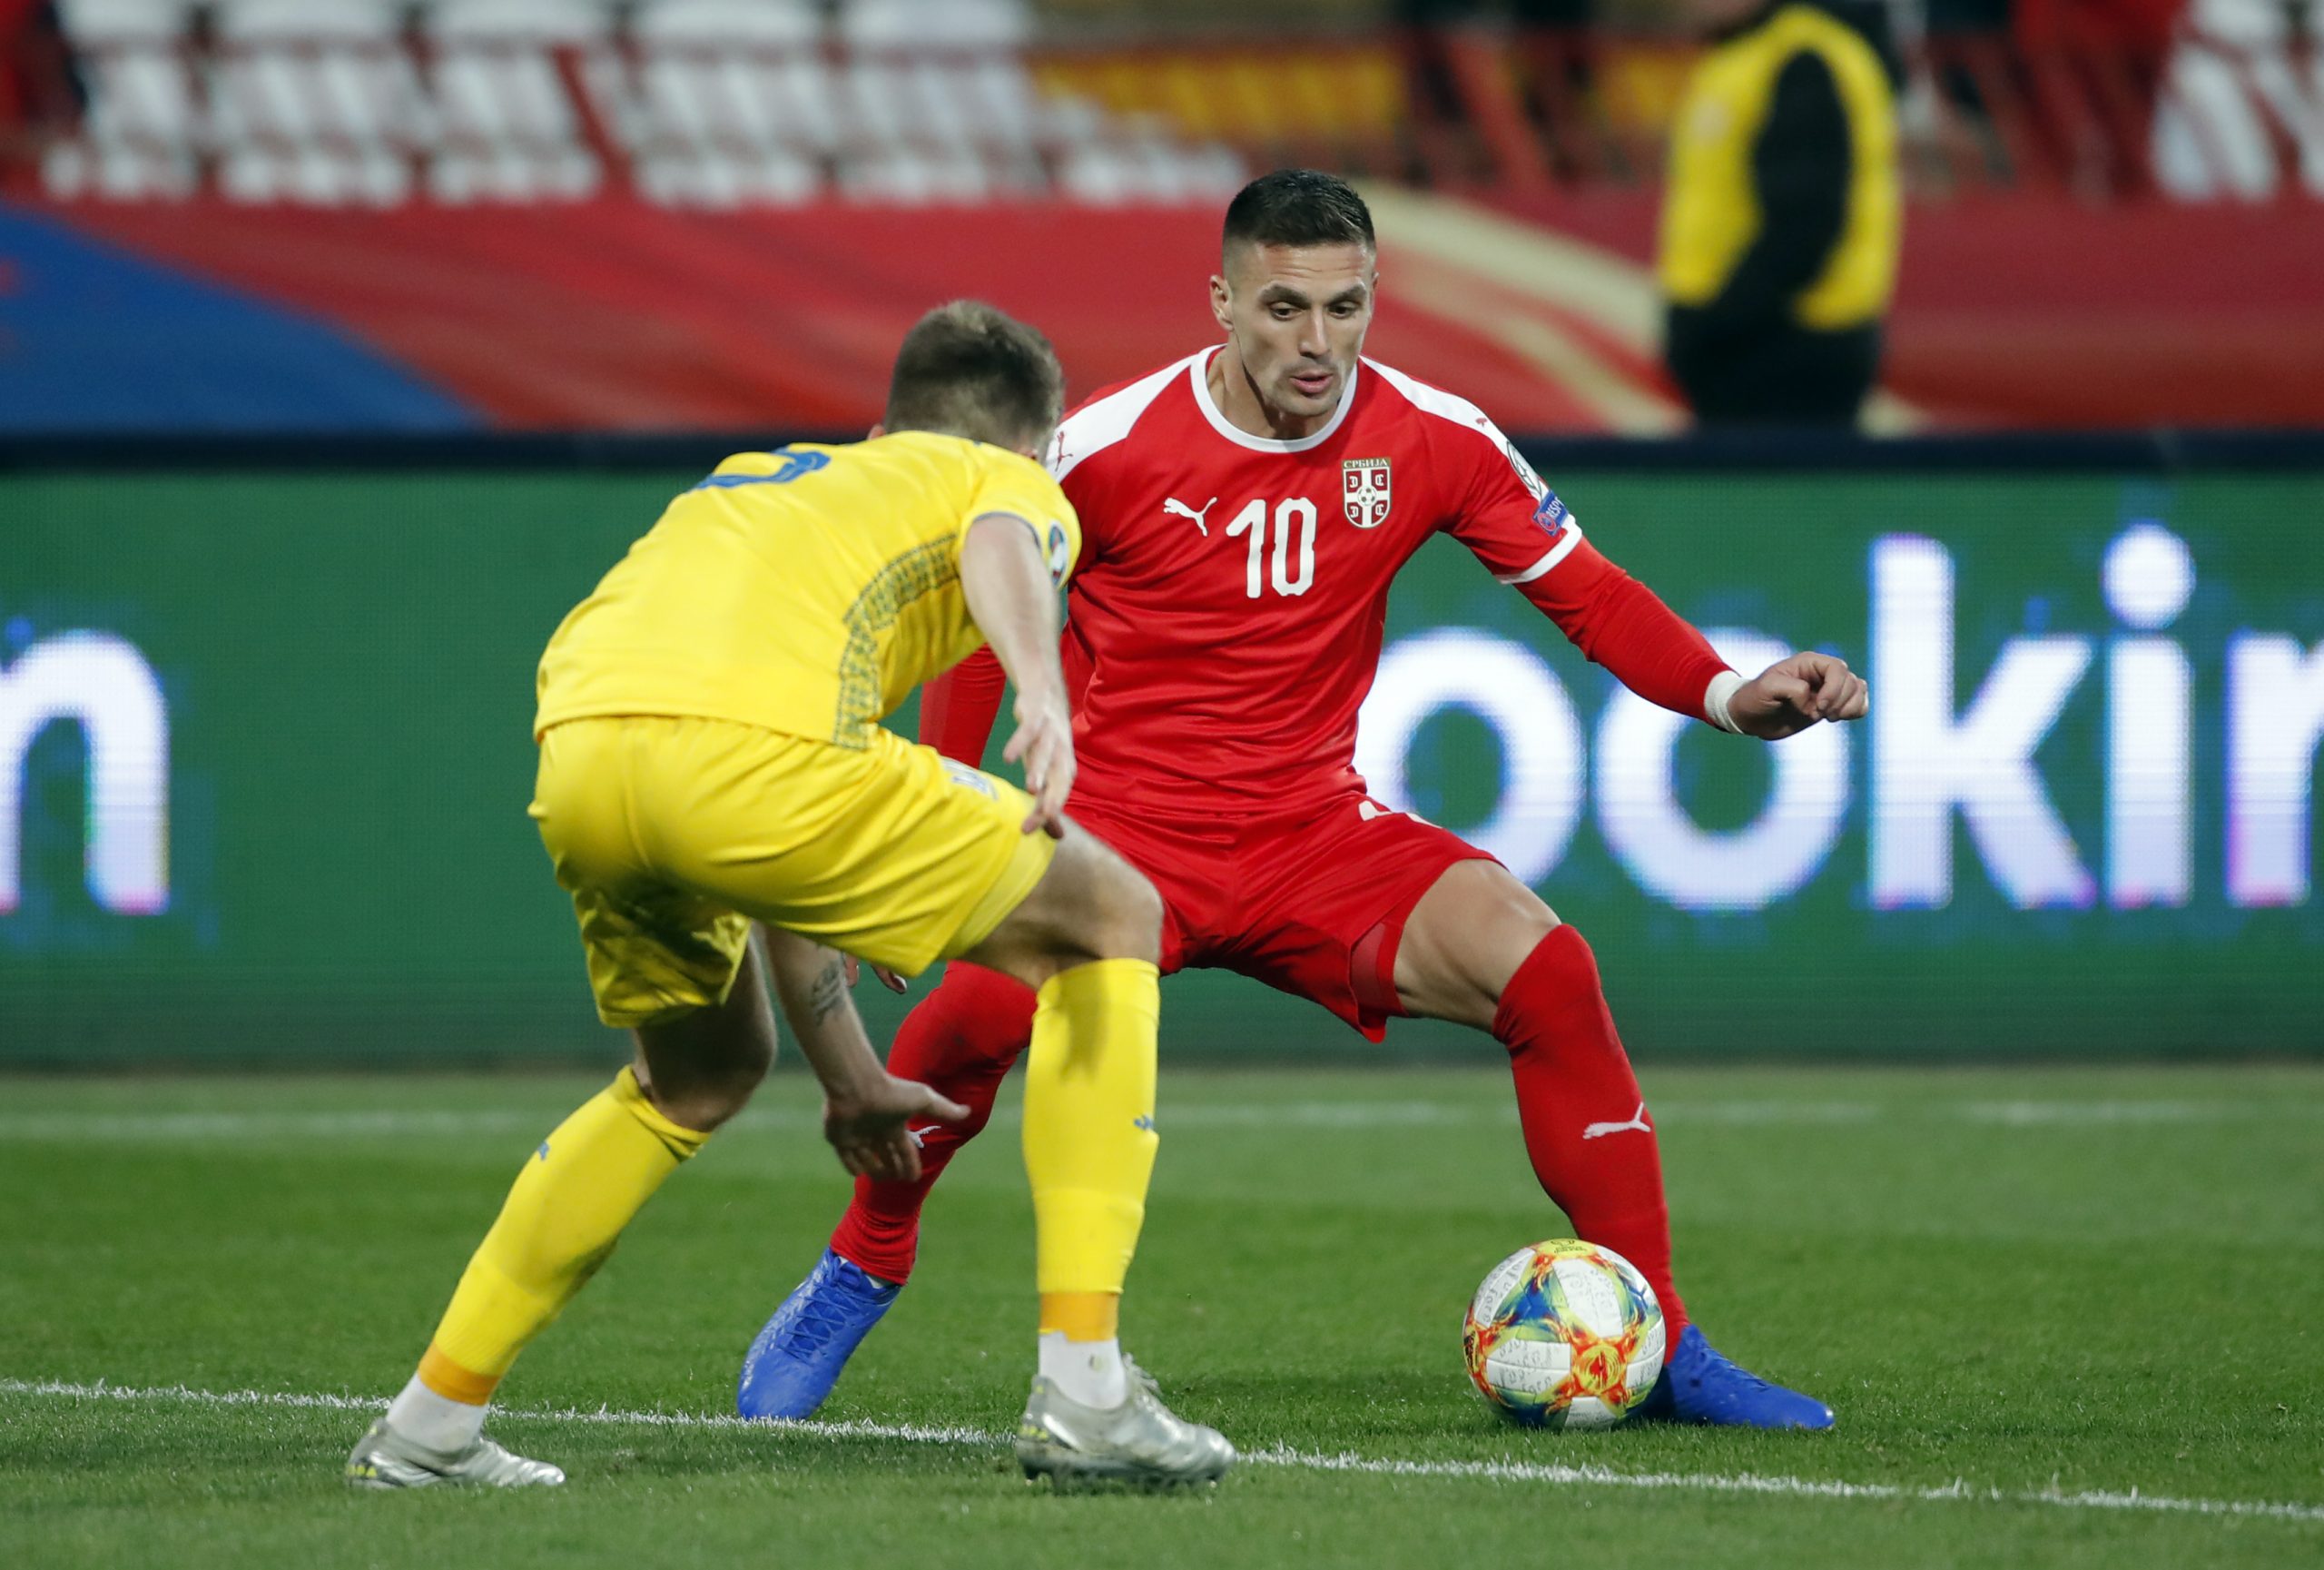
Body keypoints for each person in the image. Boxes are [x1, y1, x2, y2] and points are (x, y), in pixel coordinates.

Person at [738, 173, 1866, 1430]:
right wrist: (941, 824)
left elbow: (1589, 596)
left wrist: (1727, 692)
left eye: (1346, 307)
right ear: (1222, 301)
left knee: (1547, 971)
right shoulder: (1103, 451)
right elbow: (965, 625)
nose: (1317, 343)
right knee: (962, 1031)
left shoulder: (1435, 436)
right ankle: (863, 1263)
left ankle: (1658, 1341)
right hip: (1115, 838)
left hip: (1311, 834)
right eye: (1283, 307)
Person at [347, 301, 1233, 1491]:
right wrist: (1041, 686)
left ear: (881, 425)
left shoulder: (762, 483)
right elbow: (1004, 545)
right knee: (1109, 916)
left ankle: (427, 1426)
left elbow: (768, 832)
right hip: (757, 752)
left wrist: (852, 1078)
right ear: (1040, 445)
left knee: (694, 1076)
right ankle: (1086, 1389)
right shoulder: (1003, 478)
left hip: (584, 748)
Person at [1658, 0, 1901, 426]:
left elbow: (1804, 225)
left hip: (1785, 352)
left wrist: (1713, 328)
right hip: (1758, 346)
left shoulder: (1802, 60)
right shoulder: (1746, 54)